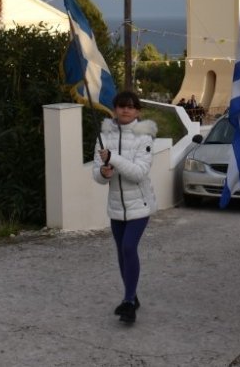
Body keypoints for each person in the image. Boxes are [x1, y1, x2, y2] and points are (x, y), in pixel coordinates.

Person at [92, 91, 157, 324]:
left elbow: (139, 173)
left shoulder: (144, 138)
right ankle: (132, 295)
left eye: (130, 107)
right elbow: (98, 175)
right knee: (121, 252)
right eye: (121, 106)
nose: (125, 110)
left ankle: (128, 302)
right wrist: (103, 172)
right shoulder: (104, 136)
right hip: (116, 207)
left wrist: (113, 159)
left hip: (139, 205)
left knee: (129, 248)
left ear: (138, 111)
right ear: (115, 109)